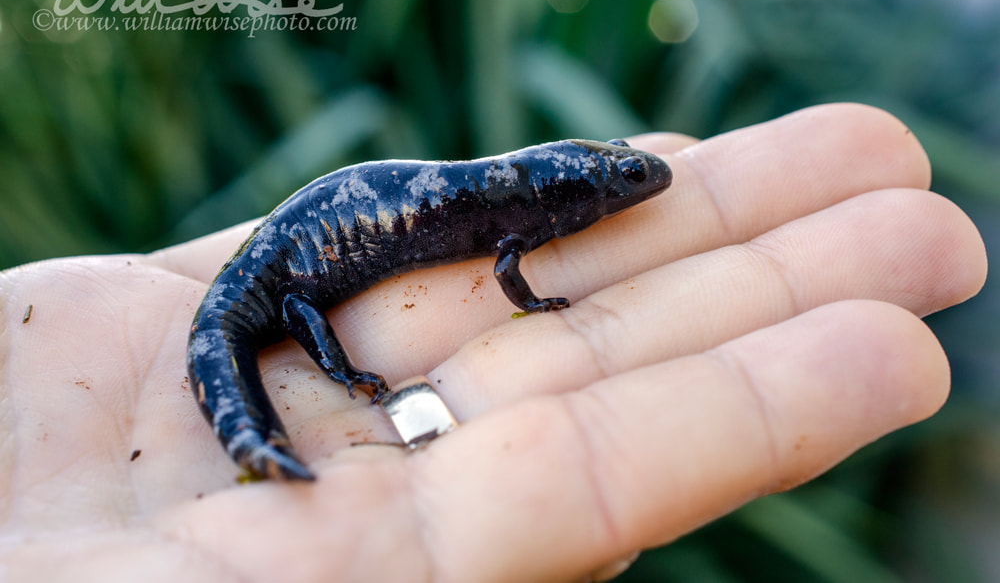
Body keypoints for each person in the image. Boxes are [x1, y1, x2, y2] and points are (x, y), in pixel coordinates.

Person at [0, 104, 987, 581]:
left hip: (281, 266)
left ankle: (267, 442)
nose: (640, 184)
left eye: (628, 175)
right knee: (265, 350)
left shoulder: (527, 196)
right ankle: (259, 443)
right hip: (273, 285)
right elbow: (510, 273)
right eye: (624, 181)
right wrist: (340, 371)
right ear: (573, 194)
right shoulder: (519, 222)